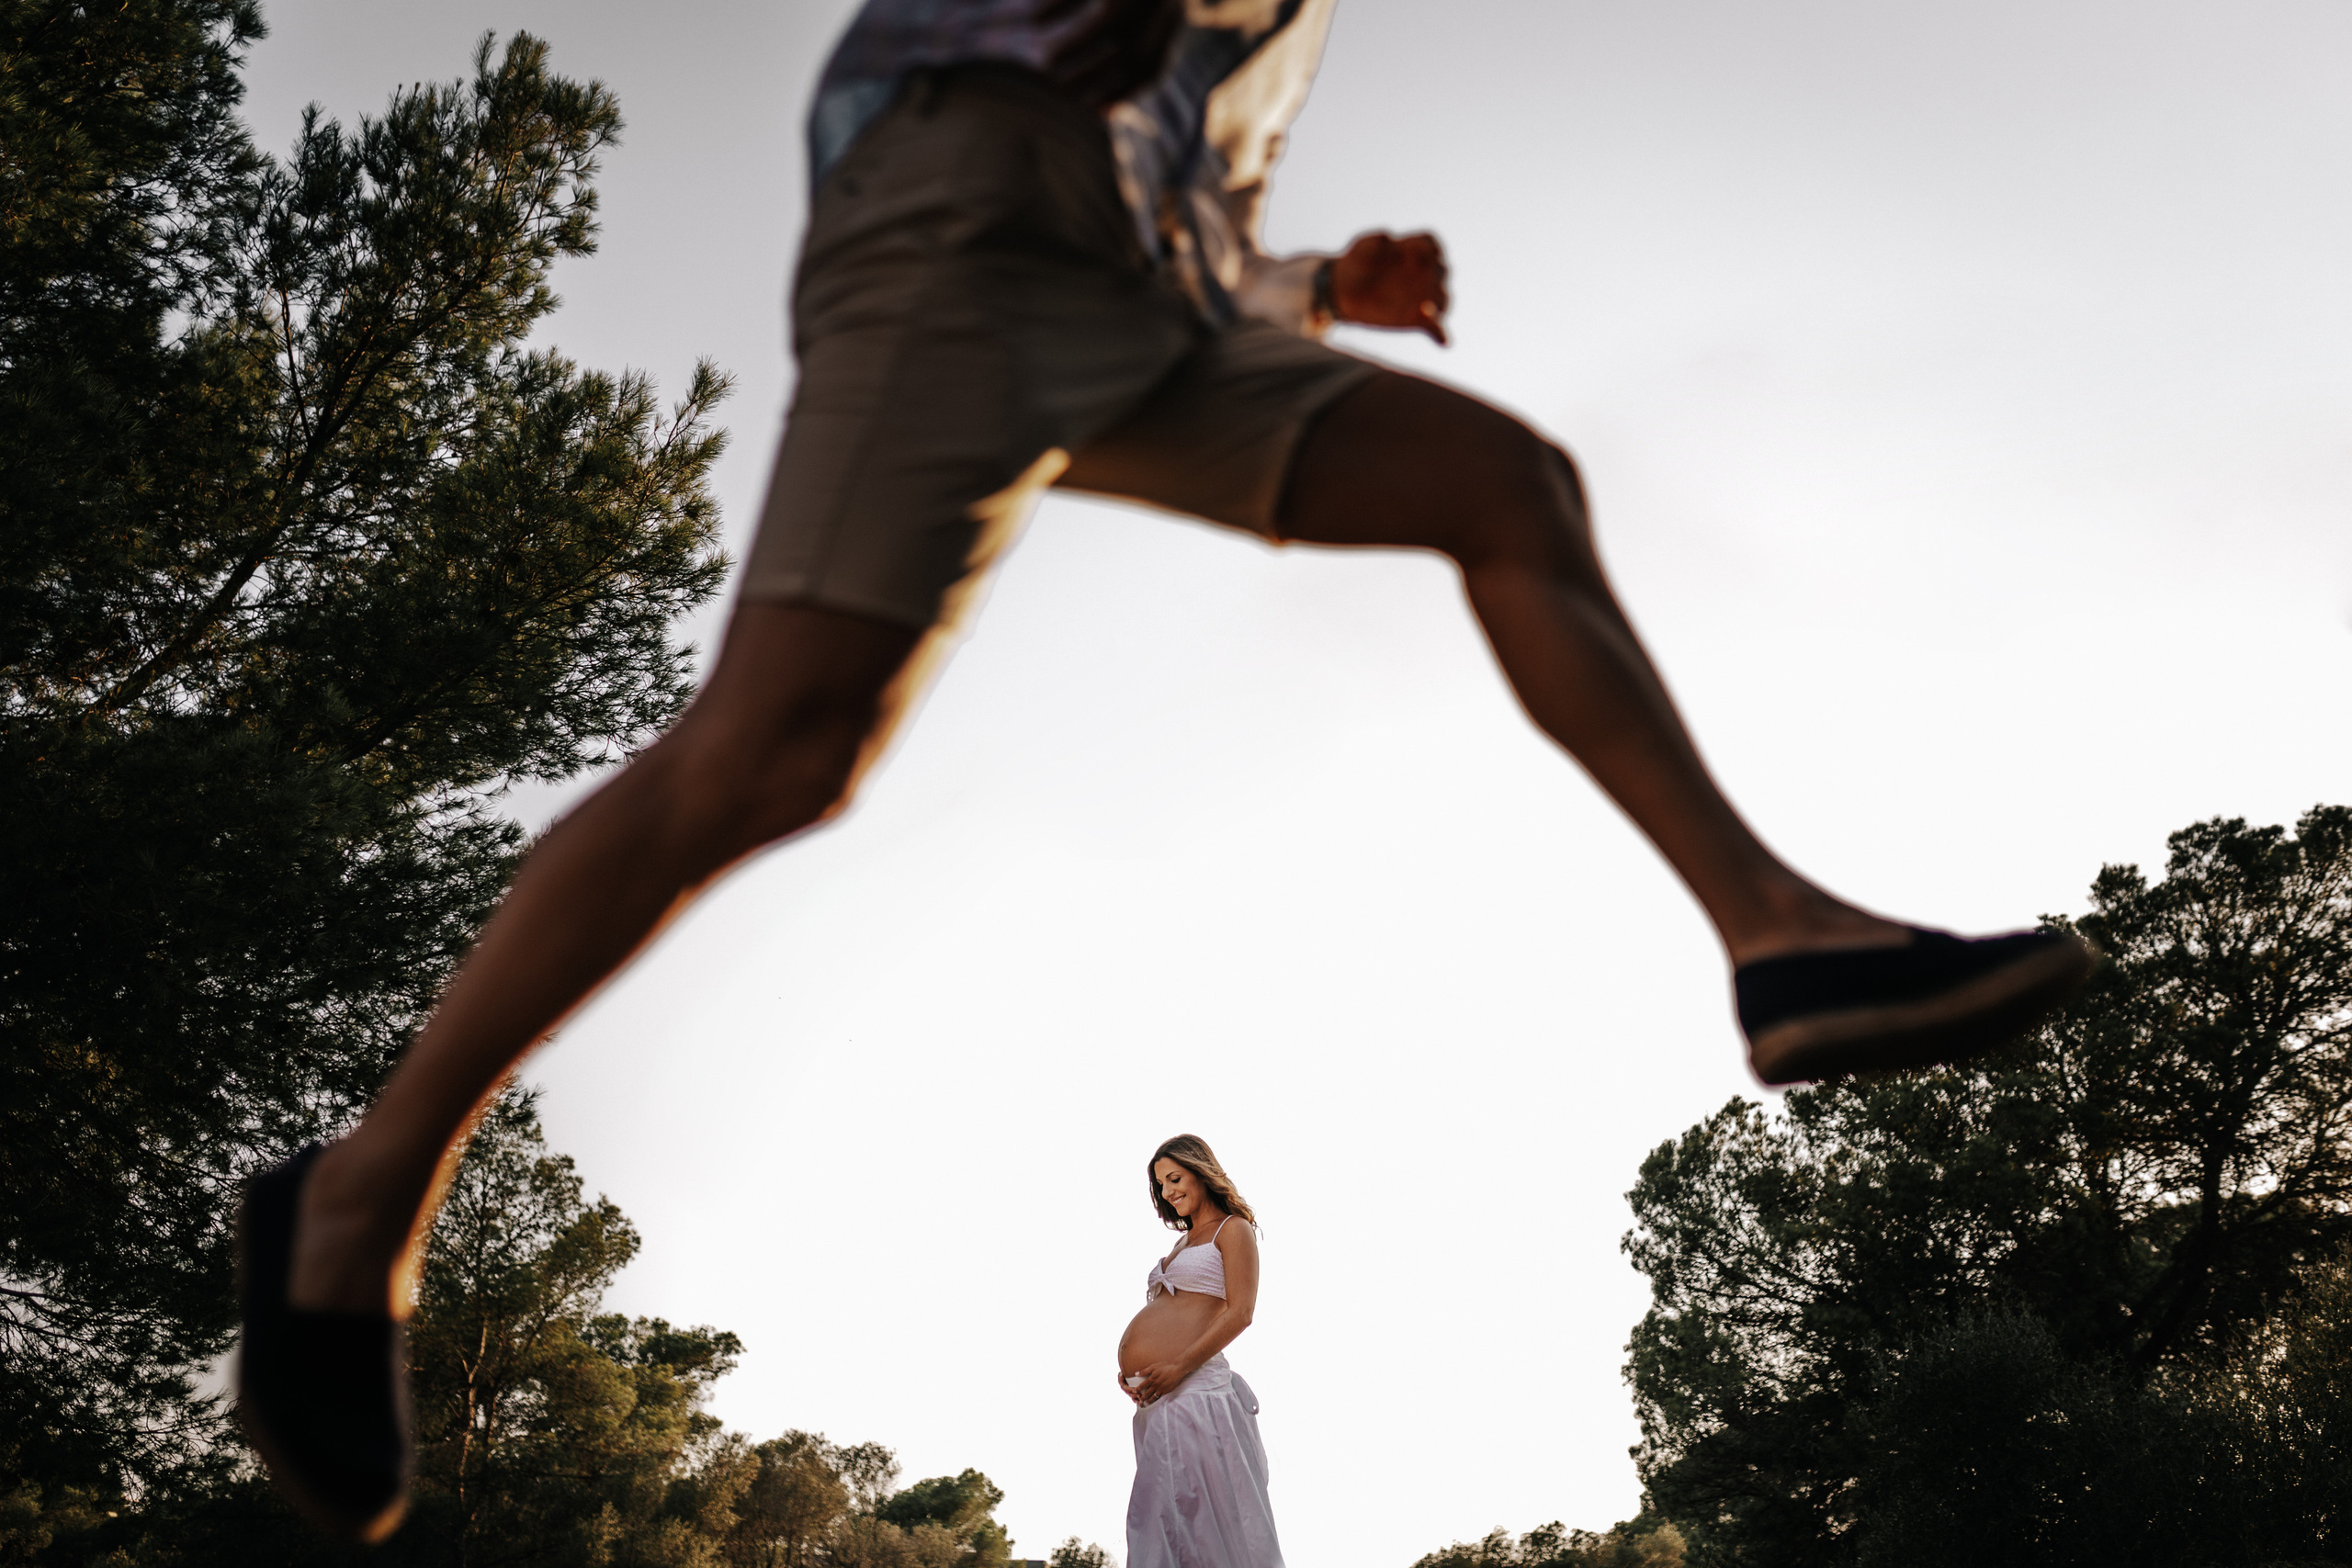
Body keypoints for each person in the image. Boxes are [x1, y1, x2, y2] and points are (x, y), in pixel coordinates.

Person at [235, 0, 2094, 1540]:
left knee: (1503, 486)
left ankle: (1778, 938)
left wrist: (1304, 281)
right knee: (781, 750)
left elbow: (1174, 192)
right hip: (959, 201)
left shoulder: (1279, 44)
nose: (1175, 1185)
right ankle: (358, 1198)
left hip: (1139, 307)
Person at [1121, 1136, 1281, 1568]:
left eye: (1175, 1178)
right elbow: (1171, 1318)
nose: (1168, 1191)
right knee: (1157, 1528)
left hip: (1199, 1394)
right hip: (1158, 1402)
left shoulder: (1234, 1230)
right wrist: (1134, 1370)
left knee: (1209, 1530)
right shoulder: (1181, 1244)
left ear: (1201, 1171)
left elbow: (1241, 1312)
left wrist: (1176, 1367)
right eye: (1161, 1185)